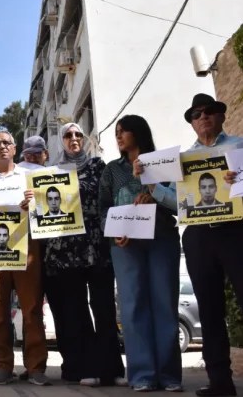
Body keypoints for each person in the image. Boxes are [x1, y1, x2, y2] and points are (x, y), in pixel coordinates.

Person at [99, 115, 182, 393]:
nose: (119, 137)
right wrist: (113, 231)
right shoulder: (112, 170)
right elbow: (102, 209)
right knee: (133, 307)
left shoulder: (163, 163)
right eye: (117, 133)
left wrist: (153, 191)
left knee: (164, 305)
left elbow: (181, 204)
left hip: (162, 239)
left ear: (139, 133)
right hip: (125, 246)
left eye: (124, 131)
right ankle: (142, 375)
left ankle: (170, 375)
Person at [43, 123, 124, 387]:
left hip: (96, 244)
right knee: (76, 310)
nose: (74, 138)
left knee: (103, 307)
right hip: (65, 249)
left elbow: (109, 199)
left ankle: (113, 369)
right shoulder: (51, 172)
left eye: (78, 134)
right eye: (68, 135)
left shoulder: (98, 166)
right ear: (61, 141)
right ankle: (88, 368)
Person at [0, 130, 49, 386]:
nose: (1, 147)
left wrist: (33, 205)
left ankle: (35, 368)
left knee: (32, 308)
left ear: (15, 149)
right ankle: (3, 366)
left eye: (6, 143)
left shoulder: (30, 176)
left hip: (27, 249)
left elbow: (47, 215)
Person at [181, 93, 243, 397]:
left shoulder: (239, 146)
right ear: (192, 123)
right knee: (209, 309)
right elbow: (175, 201)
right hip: (198, 235)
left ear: (220, 115)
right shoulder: (183, 160)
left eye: (208, 112)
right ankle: (220, 382)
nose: (202, 117)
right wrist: (152, 184)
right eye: (196, 114)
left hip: (235, 230)